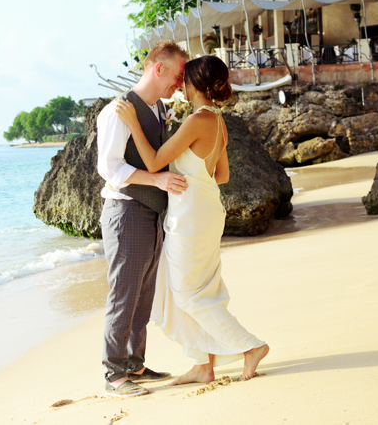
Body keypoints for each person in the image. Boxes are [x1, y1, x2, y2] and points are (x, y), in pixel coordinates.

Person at [113, 55, 269, 386]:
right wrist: (193, 171)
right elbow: (222, 174)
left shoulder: (197, 121)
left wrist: (133, 124)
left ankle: (251, 346)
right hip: (206, 211)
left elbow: (154, 162)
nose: (179, 84)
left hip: (191, 218)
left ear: (193, 85)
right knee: (190, 289)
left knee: (188, 294)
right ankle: (202, 365)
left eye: (184, 79)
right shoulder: (217, 120)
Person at [97, 41, 189, 398]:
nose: (179, 84)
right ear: (158, 68)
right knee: (124, 293)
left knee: (143, 293)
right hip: (126, 212)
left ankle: (135, 364)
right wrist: (157, 180)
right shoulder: (118, 110)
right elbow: (110, 167)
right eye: (178, 75)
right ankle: (113, 375)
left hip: (150, 213)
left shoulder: (157, 107)